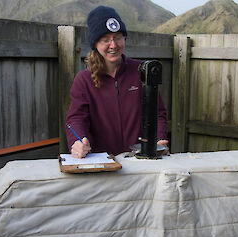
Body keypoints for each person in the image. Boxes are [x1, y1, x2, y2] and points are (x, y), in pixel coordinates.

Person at [65, 5, 168, 159]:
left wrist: (159, 139)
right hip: (102, 164)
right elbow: (75, 119)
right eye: (105, 39)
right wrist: (78, 141)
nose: (113, 45)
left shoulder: (141, 71)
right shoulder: (83, 80)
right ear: (95, 44)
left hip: (140, 160)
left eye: (117, 37)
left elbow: (158, 113)